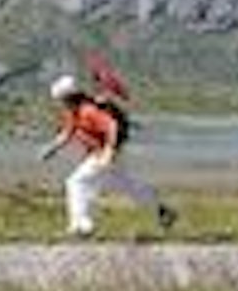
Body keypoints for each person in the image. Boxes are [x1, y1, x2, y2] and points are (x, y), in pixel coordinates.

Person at [39, 74, 177, 238]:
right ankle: (162, 210)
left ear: (68, 97)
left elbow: (112, 126)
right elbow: (67, 133)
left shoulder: (88, 111)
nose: (60, 103)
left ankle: (81, 225)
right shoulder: (73, 112)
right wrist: (51, 149)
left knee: (75, 182)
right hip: (104, 155)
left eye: (61, 100)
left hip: (103, 155)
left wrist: (109, 151)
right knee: (128, 185)